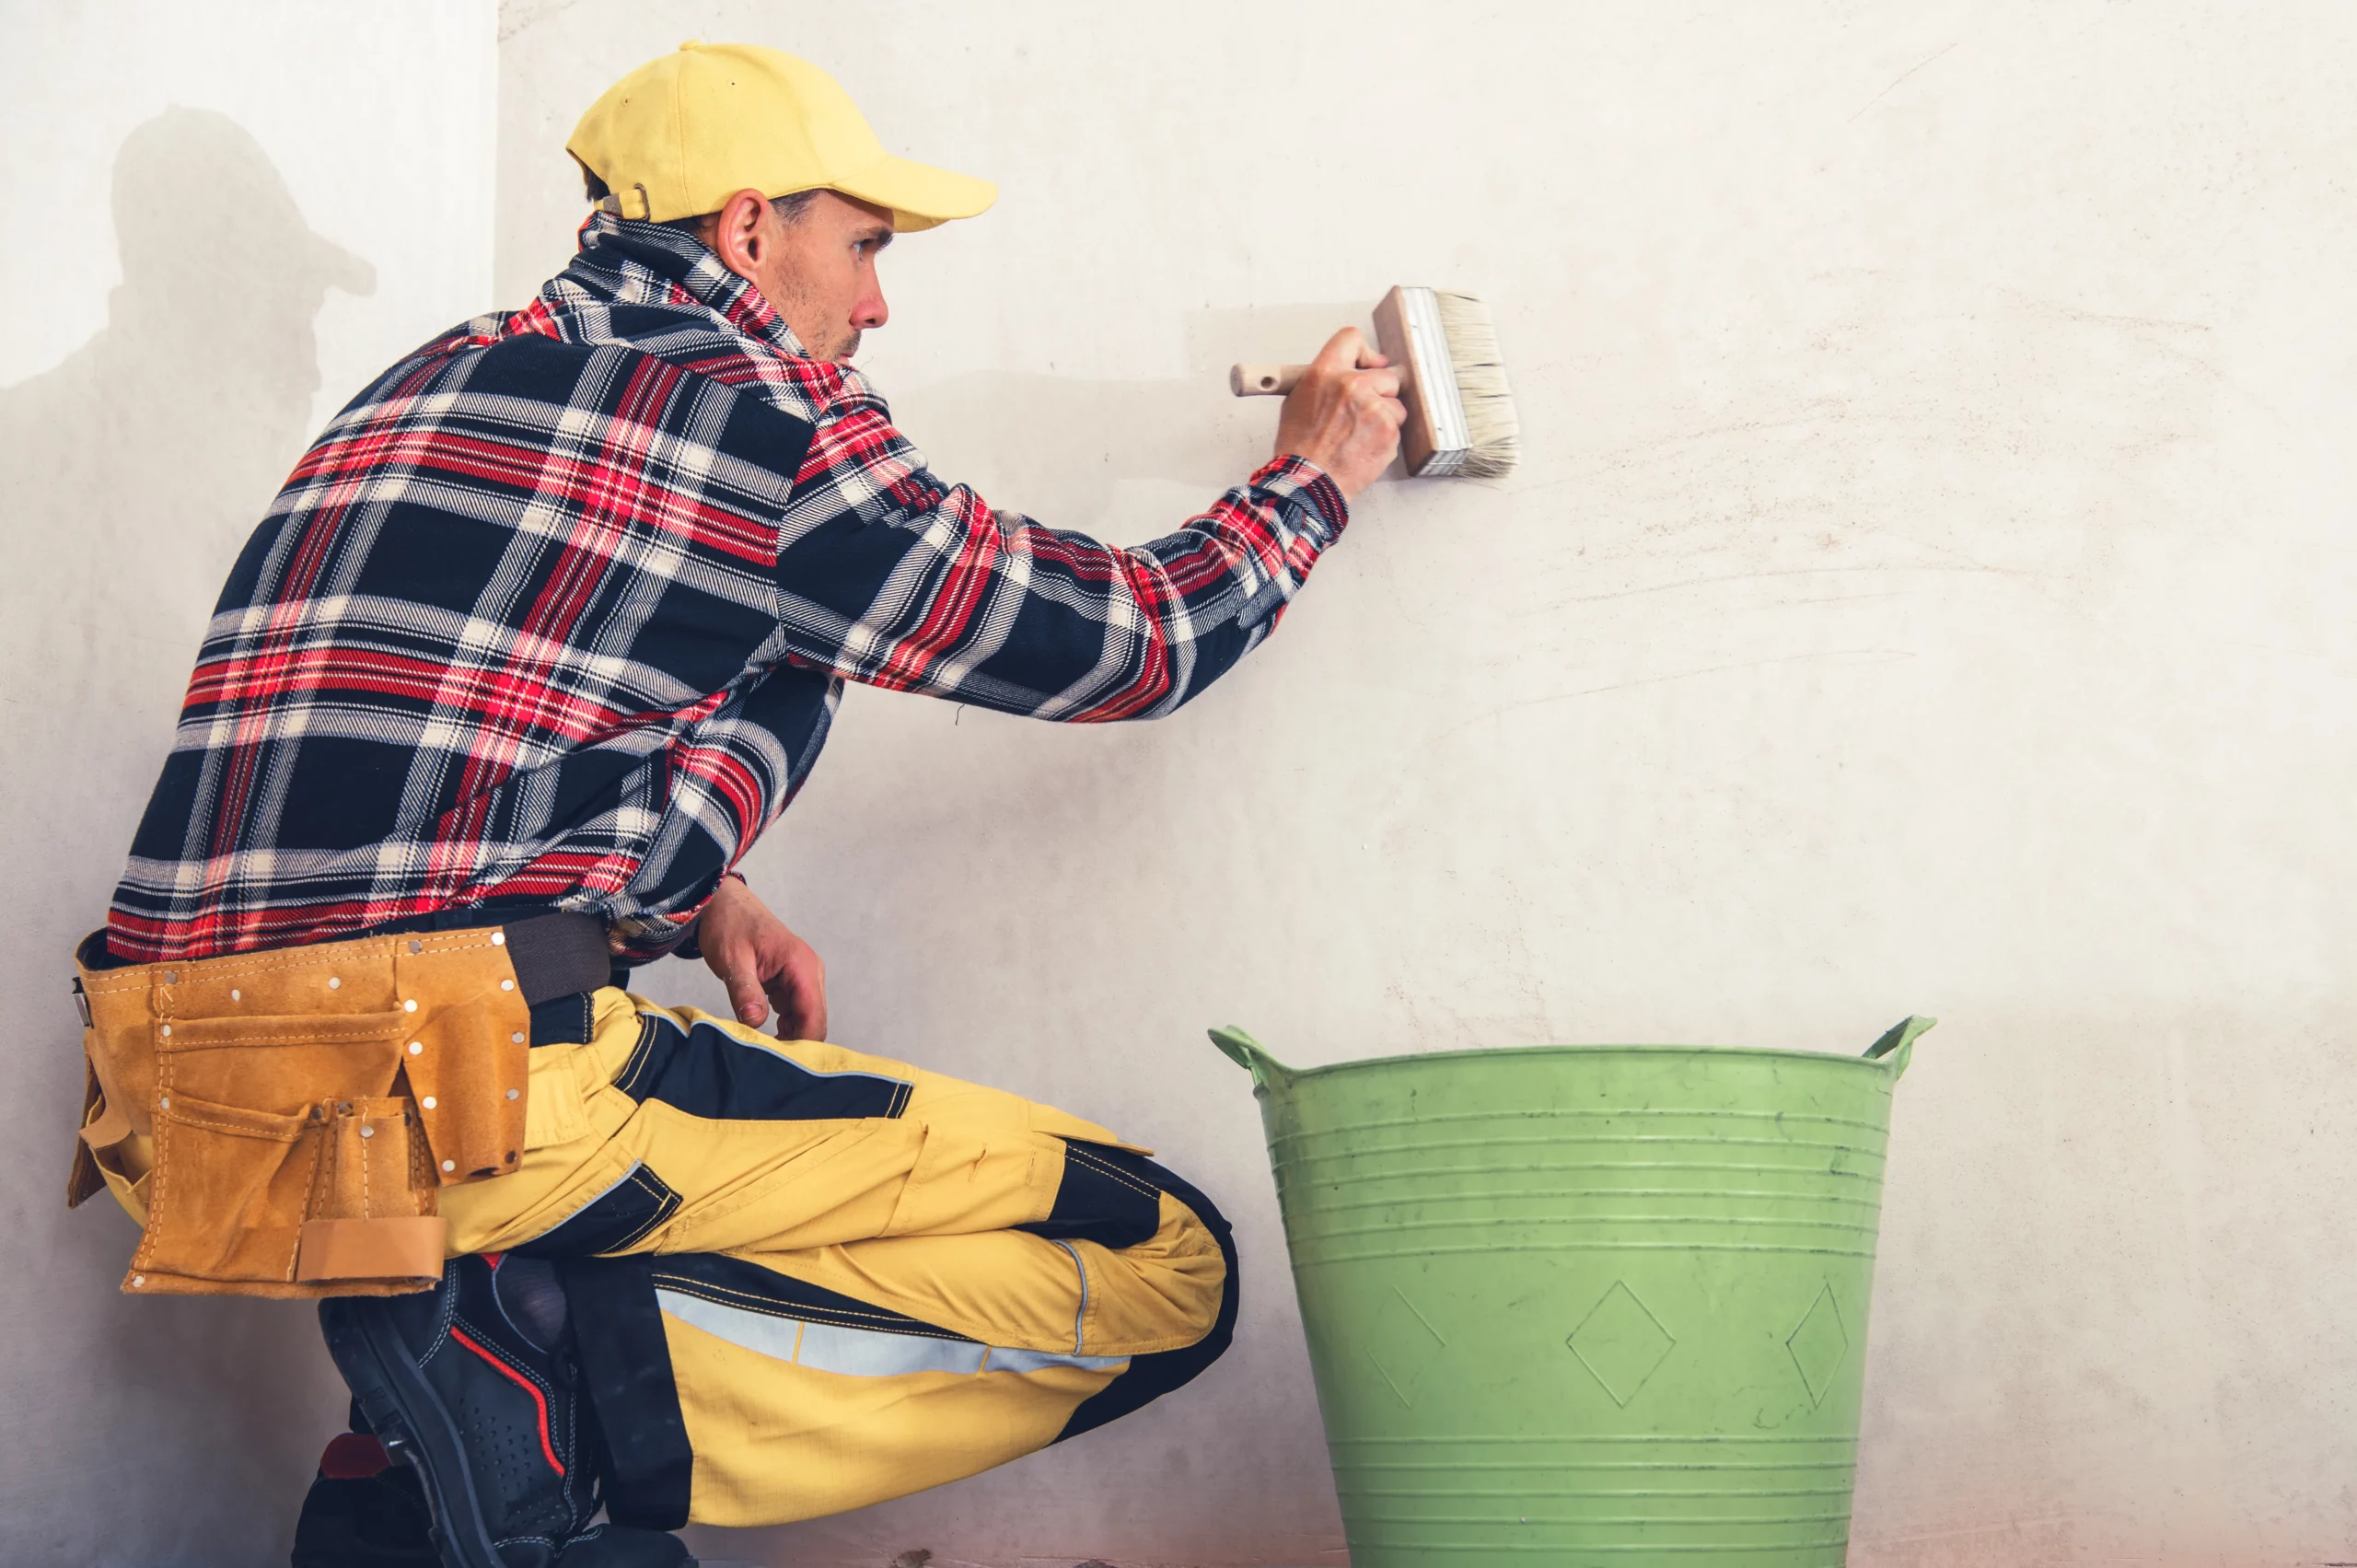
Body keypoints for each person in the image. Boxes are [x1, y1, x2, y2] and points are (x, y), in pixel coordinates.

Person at [66, 41, 1403, 1568]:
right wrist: (1313, 476)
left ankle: (425, 1462)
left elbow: (445, 731)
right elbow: (1129, 642)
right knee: (1159, 1252)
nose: (880, 304)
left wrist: (701, 893)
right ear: (748, 230)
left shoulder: (417, 387)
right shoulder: (769, 426)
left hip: (183, 1118)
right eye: (867, 247)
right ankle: (533, 1367)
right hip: (453, 1098)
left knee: (487, 1423)